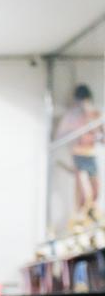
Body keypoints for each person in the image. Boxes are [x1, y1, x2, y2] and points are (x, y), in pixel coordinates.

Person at [55, 84, 104, 227]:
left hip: (91, 154)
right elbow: (61, 136)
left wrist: (96, 131)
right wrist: (76, 131)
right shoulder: (71, 116)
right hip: (78, 155)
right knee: (85, 194)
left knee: (95, 192)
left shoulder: (95, 115)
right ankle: (80, 219)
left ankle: (91, 219)